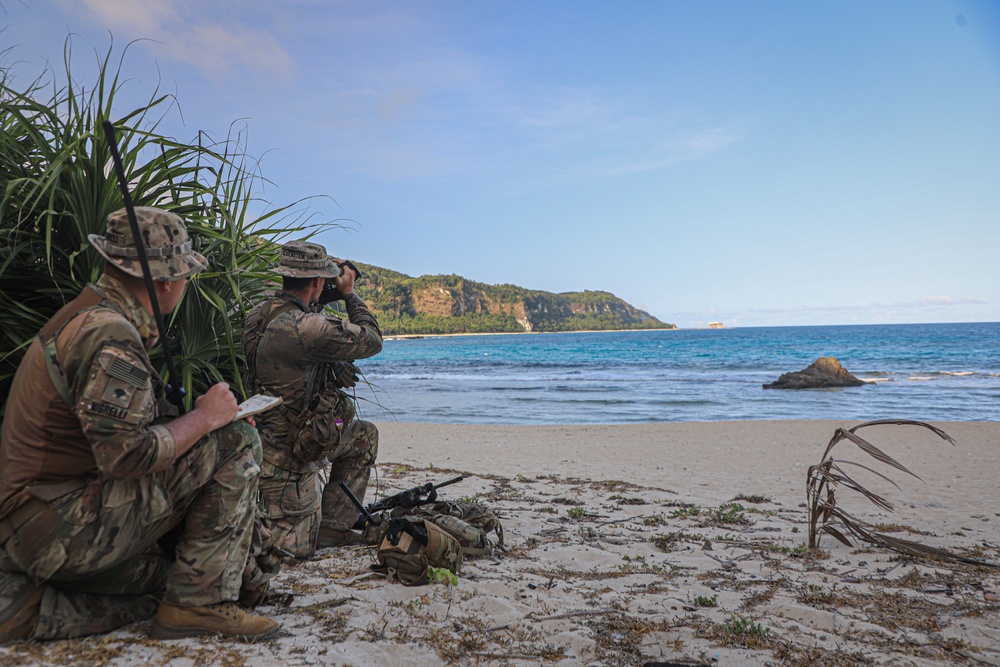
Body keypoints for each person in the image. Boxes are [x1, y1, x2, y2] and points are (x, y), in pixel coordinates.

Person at [0, 207, 279, 642]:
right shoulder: (110, 335)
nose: (186, 284)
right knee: (236, 440)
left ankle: (29, 607)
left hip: (34, 524)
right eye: (186, 275)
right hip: (59, 527)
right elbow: (126, 457)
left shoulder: (89, 314)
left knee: (165, 574)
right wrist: (207, 419)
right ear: (166, 281)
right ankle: (198, 605)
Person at [243, 240, 382, 559]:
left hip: (265, 439)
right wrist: (347, 292)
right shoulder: (307, 328)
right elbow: (372, 339)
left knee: (364, 436)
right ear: (318, 281)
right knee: (295, 553)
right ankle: (323, 528)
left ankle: (333, 528)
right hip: (291, 455)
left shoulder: (258, 315)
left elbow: (300, 353)